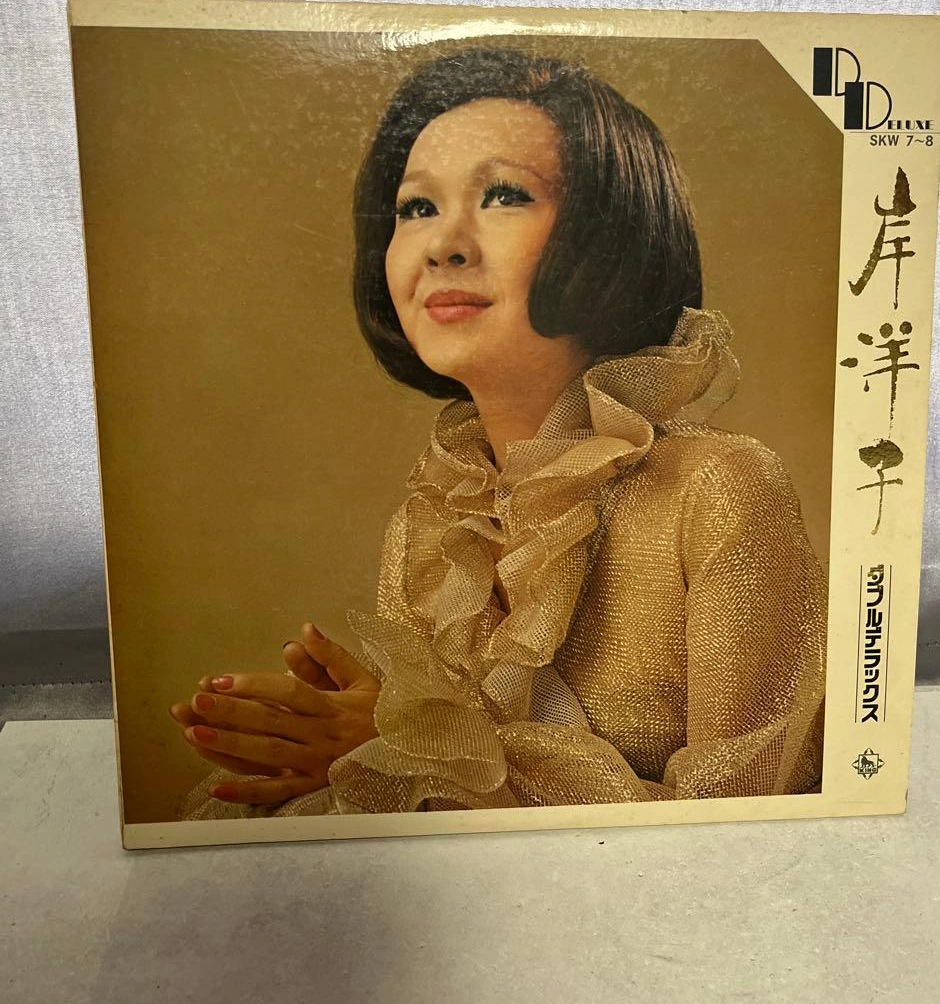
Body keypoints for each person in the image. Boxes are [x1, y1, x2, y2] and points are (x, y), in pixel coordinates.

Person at [169, 47, 827, 820]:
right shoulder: (430, 523)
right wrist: (343, 752)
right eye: (416, 208)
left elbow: (748, 823)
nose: (443, 244)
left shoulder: (720, 489)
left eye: (504, 196)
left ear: (607, 236)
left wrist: (408, 749)